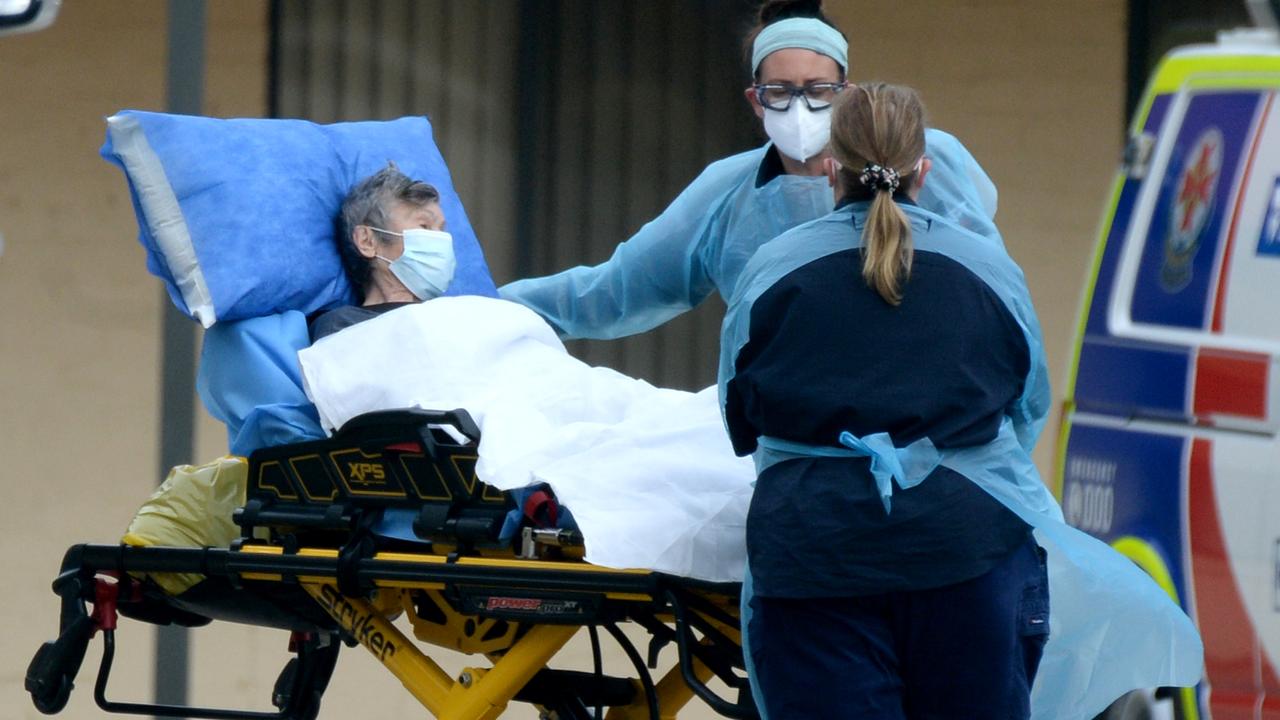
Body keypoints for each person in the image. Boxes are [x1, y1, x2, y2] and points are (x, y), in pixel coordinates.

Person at [719, 83, 1202, 719]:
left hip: (813, 563)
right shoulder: (986, 268)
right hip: (968, 562)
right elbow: (1028, 407)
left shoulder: (772, 270)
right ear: (925, 171)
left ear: (830, 170)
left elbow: (739, 415)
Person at [498, 0, 999, 341]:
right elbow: (615, 290)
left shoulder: (917, 156)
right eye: (779, 91)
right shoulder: (728, 193)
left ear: (846, 94)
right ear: (755, 101)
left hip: (922, 431)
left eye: (818, 89)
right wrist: (481, 305)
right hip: (788, 437)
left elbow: (994, 297)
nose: (799, 106)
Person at [309, 163, 456, 341]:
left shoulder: (459, 315)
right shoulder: (344, 326)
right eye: (424, 226)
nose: (440, 239)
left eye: (441, 229)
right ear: (367, 241)